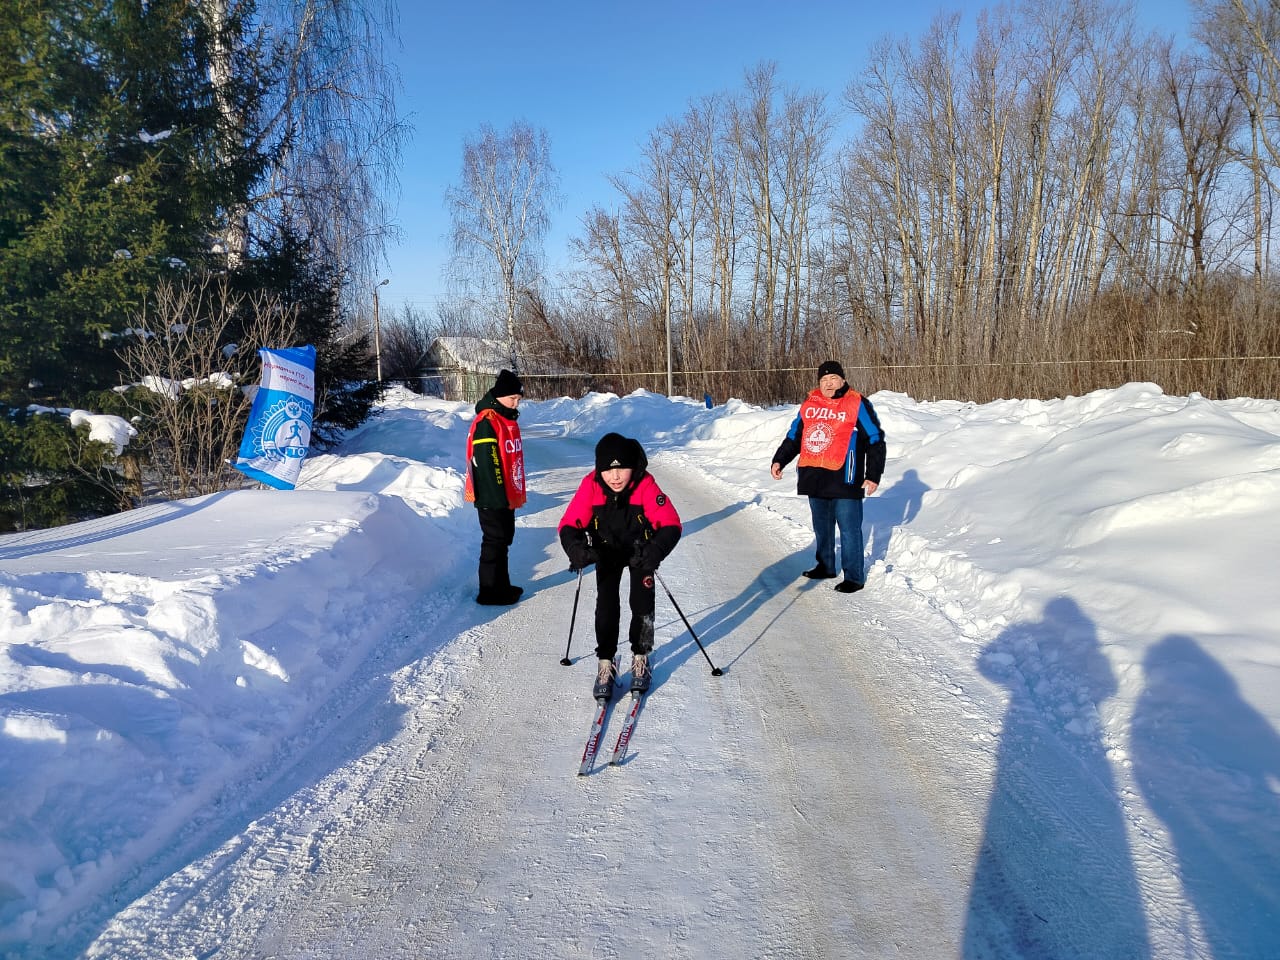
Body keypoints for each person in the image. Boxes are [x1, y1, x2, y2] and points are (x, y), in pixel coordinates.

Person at [558, 433, 682, 698]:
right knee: (606, 605)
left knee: (642, 604)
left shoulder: (644, 484)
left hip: (641, 552)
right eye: (607, 470)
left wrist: (656, 550)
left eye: (621, 469)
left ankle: (641, 657)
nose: (614, 477)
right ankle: (606, 661)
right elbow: (569, 524)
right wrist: (575, 549)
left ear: (632, 467)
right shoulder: (591, 485)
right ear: (599, 470)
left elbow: (671, 523)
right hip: (606, 551)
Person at [770, 360, 886, 594]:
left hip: (845, 477)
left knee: (849, 529)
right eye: (824, 379)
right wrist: (779, 459)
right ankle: (826, 566)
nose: (828, 383)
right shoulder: (810, 404)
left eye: (833, 378)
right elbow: (794, 436)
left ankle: (854, 577)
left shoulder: (856, 402)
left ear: (843, 380)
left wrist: (873, 475)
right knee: (822, 528)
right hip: (814, 476)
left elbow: (874, 439)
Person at [465, 368, 526, 605]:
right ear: (500, 396)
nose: (515, 403)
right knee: (494, 540)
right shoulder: (487, 422)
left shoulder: (504, 418)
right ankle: (489, 591)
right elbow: (487, 463)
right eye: (512, 398)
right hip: (492, 495)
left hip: (504, 494)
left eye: (518, 399)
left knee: (503, 539)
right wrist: (497, 496)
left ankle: (502, 585)